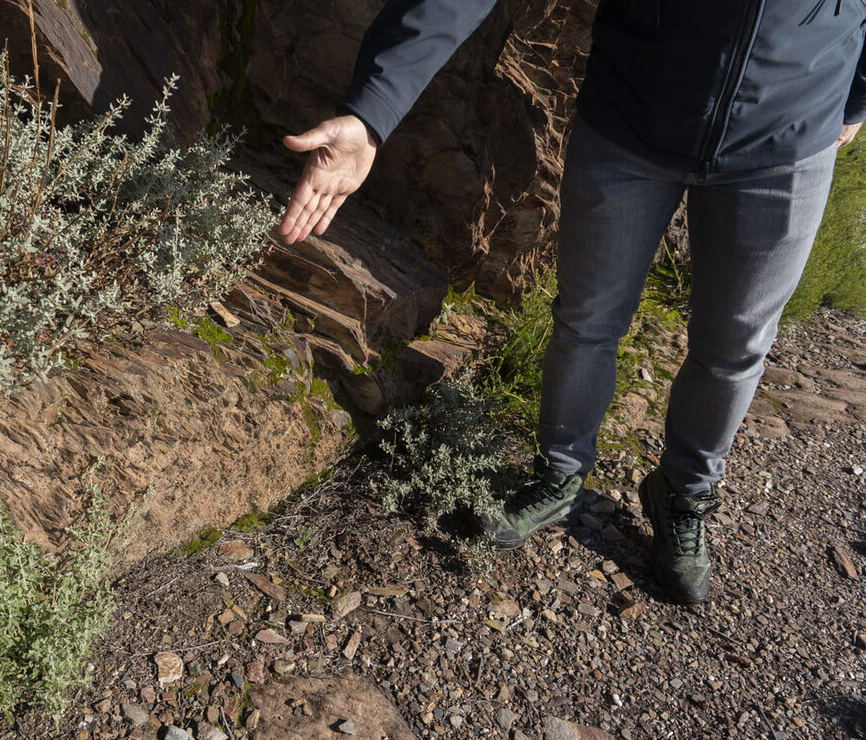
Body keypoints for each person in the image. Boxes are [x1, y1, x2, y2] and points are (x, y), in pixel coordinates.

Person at [278, 0, 866, 604]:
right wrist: (374, 110)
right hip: (632, 116)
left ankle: (685, 494)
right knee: (587, 319)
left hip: (789, 139)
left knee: (736, 348)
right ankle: (559, 472)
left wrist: (855, 95)